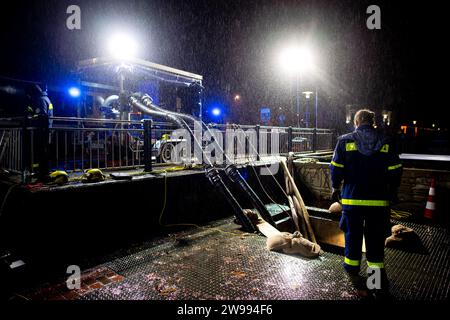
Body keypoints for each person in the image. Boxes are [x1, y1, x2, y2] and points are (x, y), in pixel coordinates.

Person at [329, 109, 402, 297]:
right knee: (376, 241)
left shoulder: (344, 141)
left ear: (357, 121)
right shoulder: (386, 141)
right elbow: (395, 170)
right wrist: (392, 192)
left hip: (352, 201)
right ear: (372, 122)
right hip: (379, 203)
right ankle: (375, 282)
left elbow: (336, 169)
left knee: (352, 236)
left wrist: (335, 188)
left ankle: (352, 274)